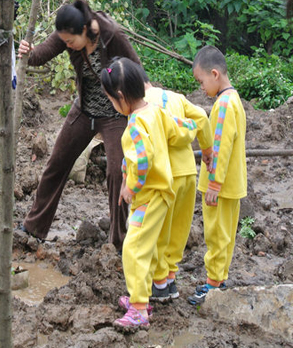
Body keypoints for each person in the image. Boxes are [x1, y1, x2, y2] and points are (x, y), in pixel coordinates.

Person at [18, 0, 141, 249]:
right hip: (85, 109)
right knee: (57, 162)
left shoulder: (111, 35)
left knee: (117, 172)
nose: (67, 45)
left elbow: (136, 70)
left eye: (70, 41)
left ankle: (118, 243)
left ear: (85, 30)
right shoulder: (68, 30)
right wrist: (26, 52)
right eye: (64, 41)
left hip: (115, 112)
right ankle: (34, 228)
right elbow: (40, 55)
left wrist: (143, 109)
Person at [101, 57, 198, 329]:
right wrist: (193, 128)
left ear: (121, 97)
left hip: (149, 195)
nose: (112, 105)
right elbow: (183, 129)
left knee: (133, 248)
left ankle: (140, 310)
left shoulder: (134, 125)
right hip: (164, 192)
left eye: (110, 100)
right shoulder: (155, 112)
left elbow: (141, 161)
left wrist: (130, 187)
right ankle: (139, 295)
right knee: (149, 246)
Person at [140, 72, 213, 302]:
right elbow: (201, 116)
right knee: (180, 228)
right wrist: (208, 149)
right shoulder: (176, 97)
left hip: (165, 177)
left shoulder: (142, 106)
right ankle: (171, 278)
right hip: (188, 172)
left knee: (160, 229)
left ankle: (159, 283)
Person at [188, 45, 247, 305]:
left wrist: (213, 183)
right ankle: (219, 279)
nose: (201, 88)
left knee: (215, 234)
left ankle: (212, 285)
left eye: (201, 81)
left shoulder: (222, 105)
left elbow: (220, 146)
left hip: (219, 188)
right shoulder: (235, 100)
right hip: (233, 185)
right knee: (226, 234)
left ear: (214, 74)